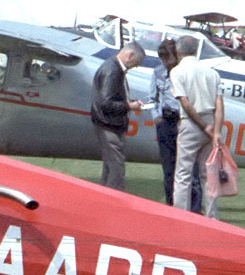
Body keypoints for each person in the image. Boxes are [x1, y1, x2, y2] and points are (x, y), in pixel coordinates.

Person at [171, 34, 225, 218]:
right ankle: (212, 216)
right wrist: (216, 130)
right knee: (208, 173)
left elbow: (185, 103)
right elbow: (219, 104)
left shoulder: (177, 72)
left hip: (191, 123)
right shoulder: (212, 73)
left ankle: (181, 216)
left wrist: (202, 126)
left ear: (178, 51)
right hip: (211, 120)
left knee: (183, 174)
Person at [90, 42, 145, 190]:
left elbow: (109, 99)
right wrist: (129, 106)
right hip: (109, 125)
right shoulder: (112, 71)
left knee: (109, 166)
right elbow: (106, 103)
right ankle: (115, 200)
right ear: (130, 55)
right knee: (116, 167)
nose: (136, 66)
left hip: (106, 123)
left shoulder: (112, 67)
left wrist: (129, 103)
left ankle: (104, 198)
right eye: (136, 63)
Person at [151, 39, 183, 206]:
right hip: (165, 121)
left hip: (182, 121)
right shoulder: (158, 73)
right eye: (163, 59)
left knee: (185, 168)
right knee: (168, 168)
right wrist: (156, 116)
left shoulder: (184, 72)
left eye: (168, 58)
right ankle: (170, 203)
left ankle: (190, 205)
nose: (166, 62)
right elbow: (153, 98)